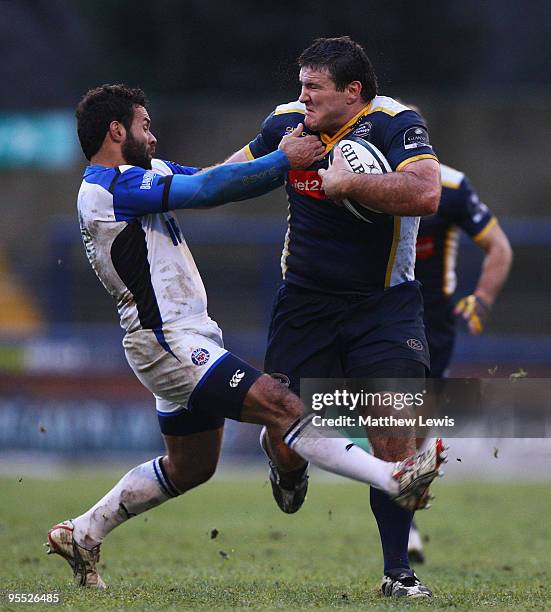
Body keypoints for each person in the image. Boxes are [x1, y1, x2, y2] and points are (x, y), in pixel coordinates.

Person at [46, 84, 445, 589]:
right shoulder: (108, 187)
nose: (154, 134)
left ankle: (83, 532)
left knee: (190, 467)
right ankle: (393, 478)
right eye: (145, 125)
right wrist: (284, 159)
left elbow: (224, 180)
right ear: (117, 131)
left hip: (184, 337)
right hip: (165, 342)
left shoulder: (143, 175)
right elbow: (206, 192)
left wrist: (288, 164)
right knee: (287, 407)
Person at [226, 37, 444, 598]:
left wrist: (351, 184)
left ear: (353, 92)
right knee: (286, 428)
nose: (302, 98)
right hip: (305, 303)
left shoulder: (397, 124)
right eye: (300, 86)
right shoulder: (286, 124)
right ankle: (287, 466)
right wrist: (274, 161)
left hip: (385, 306)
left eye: (313, 88)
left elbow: (425, 194)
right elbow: (230, 175)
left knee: (394, 436)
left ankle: (398, 572)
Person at [407, 158, 513, 562]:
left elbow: (499, 246)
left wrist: (482, 301)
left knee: (411, 418)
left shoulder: (449, 187)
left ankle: (405, 519)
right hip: (361, 308)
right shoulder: (354, 177)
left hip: (429, 320)